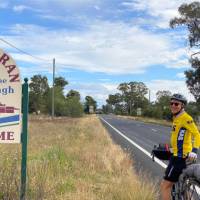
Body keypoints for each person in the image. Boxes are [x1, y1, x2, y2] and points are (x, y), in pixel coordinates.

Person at [161, 93, 200, 200]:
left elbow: (197, 134)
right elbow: (179, 137)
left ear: (182, 106)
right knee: (183, 186)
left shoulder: (186, 118)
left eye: (176, 104)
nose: (173, 105)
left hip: (180, 157)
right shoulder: (177, 117)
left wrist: (194, 150)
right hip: (178, 154)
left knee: (165, 186)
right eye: (171, 103)